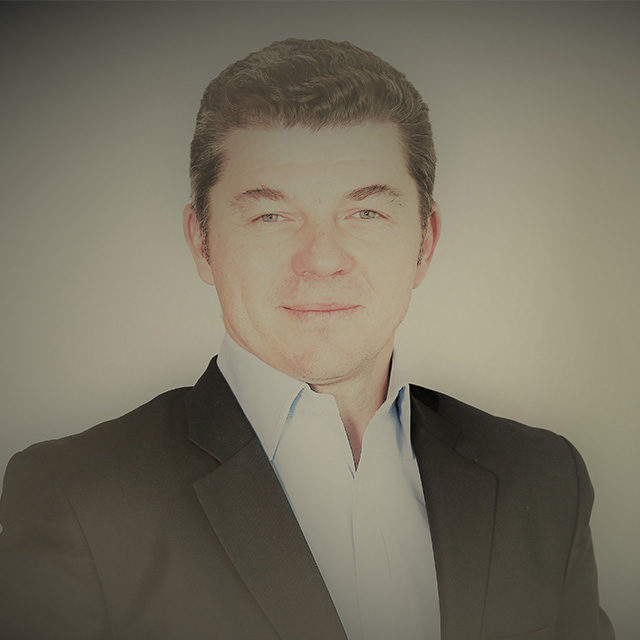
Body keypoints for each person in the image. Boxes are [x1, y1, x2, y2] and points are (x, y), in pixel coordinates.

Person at [0, 38, 613, 640]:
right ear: (202, 243)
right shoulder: (78, 498)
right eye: (271, 216)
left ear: (424, 243)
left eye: (365, 213)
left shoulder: (543, 479)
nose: (321, 260)